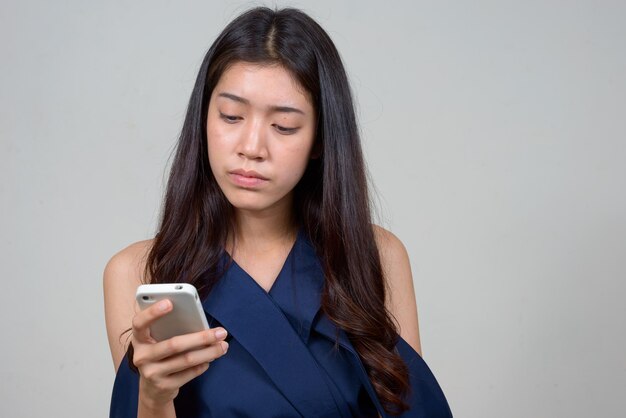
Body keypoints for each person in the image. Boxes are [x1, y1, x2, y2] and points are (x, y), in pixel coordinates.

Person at [104, 6, 452, 418]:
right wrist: (154, 397)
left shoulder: (376, 255)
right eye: (231, 116)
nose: (251, 147)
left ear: (320, 140)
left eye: (284, 126)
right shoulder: (138, 270)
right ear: (203, 119)